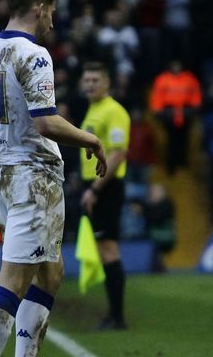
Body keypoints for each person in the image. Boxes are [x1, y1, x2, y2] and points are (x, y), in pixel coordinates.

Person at [0, 0, 107, 357]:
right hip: (32, 178)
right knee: (13, 284)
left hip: (0, 177)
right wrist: (89, 138)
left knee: (51, 272)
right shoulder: (34, 54)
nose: (52, 22)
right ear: (38, 8)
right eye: (51, 12)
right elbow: (46, 122)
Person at [78, 61, 131, 330]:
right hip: (94, 185)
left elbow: (118, 154)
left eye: (94, 80)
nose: (89, 85)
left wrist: (95, 190)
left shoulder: (115, 112)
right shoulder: (93, 110)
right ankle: (114, 315)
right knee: (103, 249)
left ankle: (117, 317)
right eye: (86, 80)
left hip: (105, 187)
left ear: (107, 83)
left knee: (109, 249)